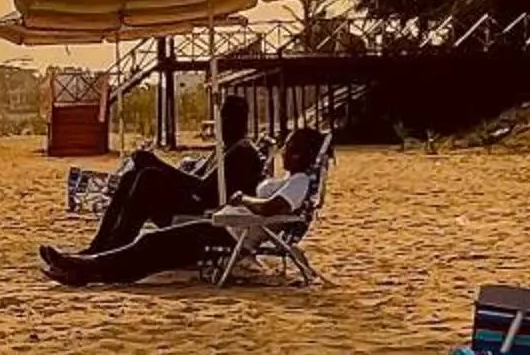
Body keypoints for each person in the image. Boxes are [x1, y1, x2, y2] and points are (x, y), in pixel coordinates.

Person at [39, 123, 326, 288]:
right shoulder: (290, 179)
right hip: (221, 226)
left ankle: (86, 268)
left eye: (289, 147)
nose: (283, 151)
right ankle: (86, 267)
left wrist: (242, 199)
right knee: (153, 246)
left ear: (299, 154)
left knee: (152, 244)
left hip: (228, 234)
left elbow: (271, 209)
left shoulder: (299, 182)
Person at [62, 95, 262, 264]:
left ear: (239, 123)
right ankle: (100, 245)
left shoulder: (242, 153)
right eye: (221, 120)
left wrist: (158, 164)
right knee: (132, 176)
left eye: (226, 120)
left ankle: (114, 249)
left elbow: (205, 190)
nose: (221, 126)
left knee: (149, 177)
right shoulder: (224, 149)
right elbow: (197, 178)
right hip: (198, 203)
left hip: (210, 214)